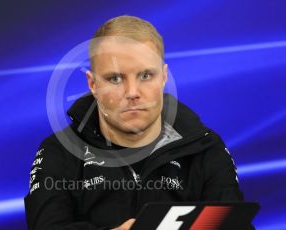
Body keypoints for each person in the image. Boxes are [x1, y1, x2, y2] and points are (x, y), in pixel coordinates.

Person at [24, 15, 244, 230]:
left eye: (146, 75)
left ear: (164, 76)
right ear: (93, 84)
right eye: (115, 78)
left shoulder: (206, 148)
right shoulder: (58, 152)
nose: (132, 93)